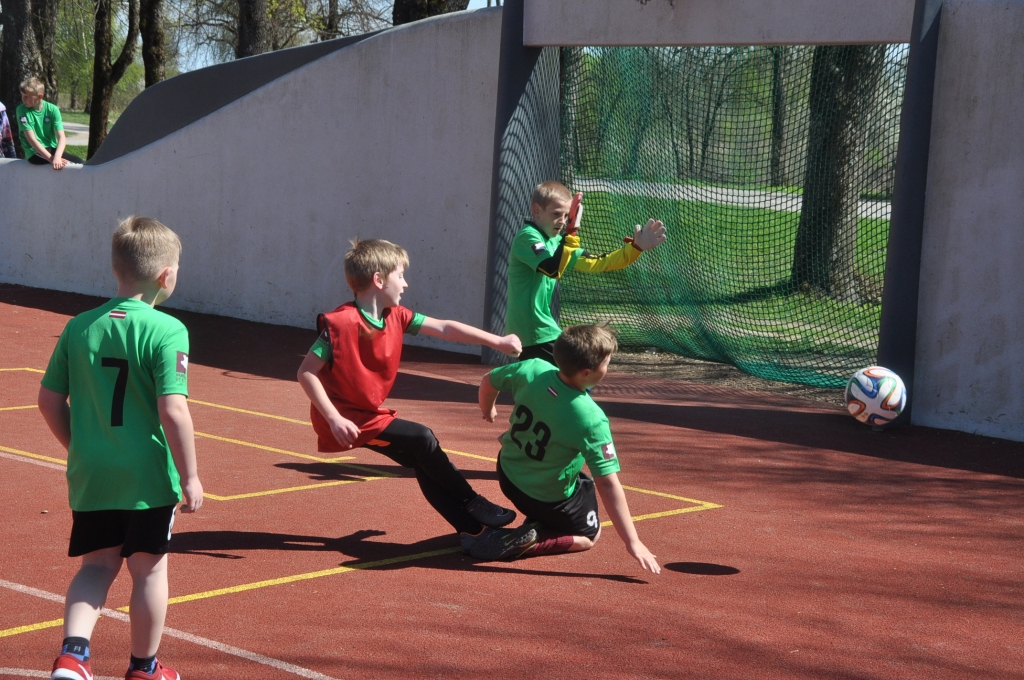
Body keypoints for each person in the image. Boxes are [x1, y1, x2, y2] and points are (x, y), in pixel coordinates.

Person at [296, 238, 537, 560]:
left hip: (370, 412)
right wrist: (333, 418)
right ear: (379, 280)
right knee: (422, 438)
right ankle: (472, 502)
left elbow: (445, 328)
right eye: (400, 275)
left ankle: (473, 531)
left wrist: (498, 341)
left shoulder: (396, 316)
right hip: (348, 418)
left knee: (423, 458)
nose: (406, 283)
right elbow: (306, 372)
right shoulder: (341, 324)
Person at [38, 216, 203, 680]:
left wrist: (81, 446)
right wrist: (190, 476)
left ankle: (73, 656)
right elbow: (173, 409)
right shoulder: (168, 330)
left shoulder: (79, 327)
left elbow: (49, 400)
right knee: (148, 571)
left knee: (96, 565)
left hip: (93, 471)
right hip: (147, 476)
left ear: (117, 269)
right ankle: (144, 667)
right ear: (166, 275)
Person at [476, 324, 661, 573]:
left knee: (582, 483)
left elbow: (489, 380)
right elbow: (607, 483)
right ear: (586, 373)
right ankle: (535, 540)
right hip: (543, 497)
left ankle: (540, 522)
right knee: (590, 534)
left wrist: (488, 410)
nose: (608, 367)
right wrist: (633, 542)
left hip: (507, 474)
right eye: (606, 363)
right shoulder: (591, 418)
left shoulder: (533, 368)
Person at [506, 181, 667, 364]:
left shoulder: (558, 242)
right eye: (557, 214)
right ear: (536, 211)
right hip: (531, 332)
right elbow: (552, 269)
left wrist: (636, 248)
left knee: (560, 381)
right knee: (574, 376)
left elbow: (598, 263)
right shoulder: (528, 236)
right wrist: (571, 233)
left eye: (567, 216)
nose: (563, 221)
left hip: (543, 330)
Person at [16, 77, 85, 169]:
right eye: (22, 95)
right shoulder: (21, 110)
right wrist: (51, 159)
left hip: (52, 149)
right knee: (68, 166)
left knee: (81, 163)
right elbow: (31, 139)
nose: (23, 99)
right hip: (34, 152)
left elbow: (61, 137)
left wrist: (57, 156)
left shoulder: (53, 109)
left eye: (27, 97)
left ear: (40, 96)